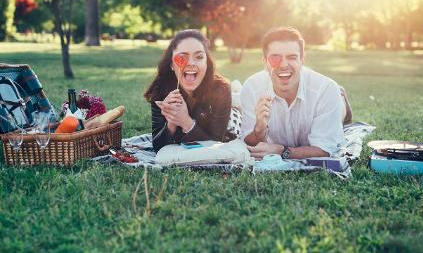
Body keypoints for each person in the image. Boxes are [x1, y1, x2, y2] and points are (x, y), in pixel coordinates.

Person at [240, 27, 352, 160]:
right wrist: (259, 131)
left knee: (338, 112)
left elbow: (326, 149)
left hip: (330, 97)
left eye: (292, 57)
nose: (283, 65)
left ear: (302, 61)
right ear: (264, 62)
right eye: (275, 58)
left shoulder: (325, 90)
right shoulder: (252, 88)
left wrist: (282, 151)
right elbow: (248, 144)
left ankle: (341, 99)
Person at [144, 29, 234, 152]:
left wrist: (186, 122)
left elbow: (215, 143)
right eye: (182, 57)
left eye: (199, 57)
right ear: (171, 64)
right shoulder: (160, 91)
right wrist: (172, 121)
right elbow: (158, 147)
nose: (191, 63)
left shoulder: (221, 90)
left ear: (206, 63)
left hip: (232, 122)